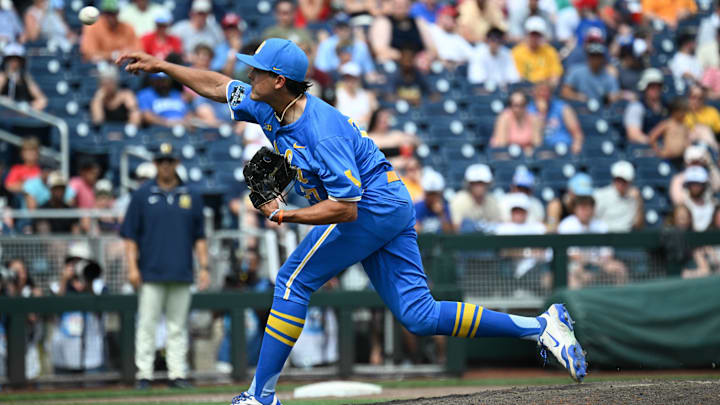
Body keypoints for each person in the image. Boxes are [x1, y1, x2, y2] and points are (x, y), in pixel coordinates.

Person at [116, 37, 587, 404]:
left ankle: (261, 396)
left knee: (292, 280)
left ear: (278, 80)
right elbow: (219, 86)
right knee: (419, 316)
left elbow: (347, 208)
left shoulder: (318, 130)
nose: (248, 72)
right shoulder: (268, 103)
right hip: (389, 202)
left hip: (373, 206)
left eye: (256, 69)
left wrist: (286, 214)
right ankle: (541, 326)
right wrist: (163, 65)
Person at [120, 142, 209, 389]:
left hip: (181, 270)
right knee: (147, 324)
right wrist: (132, 268)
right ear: (155, 164)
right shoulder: (142, 195)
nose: (165, 166)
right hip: (150, 271)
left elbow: (199, 237)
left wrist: (204, 267)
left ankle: (177, 373)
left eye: (169, 161)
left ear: (176, 163)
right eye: (161, 162)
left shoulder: (191, 195)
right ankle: (144, 374)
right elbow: (130, 237)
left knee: (178, 326)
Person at [50, 246, 106, 374]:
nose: (77, 266)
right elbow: (54, 311)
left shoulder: (99, 287)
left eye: (81, 261)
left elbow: (100, 312)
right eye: (73, 262)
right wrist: (64, 280)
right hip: (63, 355)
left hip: (92, 357)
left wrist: (88, 281)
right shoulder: (57, 286)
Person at [557, 194, 629, 289]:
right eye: (582, 208)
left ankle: (620, 300)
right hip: (576, 265)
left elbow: (607, 254)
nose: (586, 212)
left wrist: (598, 263)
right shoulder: (566, 225)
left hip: (599, 263)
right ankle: (578, 303)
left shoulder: (601, 225)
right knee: (575, 274)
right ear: (575, 209)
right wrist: (591, 263)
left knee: (619, 269)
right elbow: (572, 256)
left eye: (589, 208)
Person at [369, 0, 436, 64]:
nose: (400, 8)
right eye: (397, 5)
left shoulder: (418, 21)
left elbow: (432, 48)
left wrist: (425, 57)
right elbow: (379, 50)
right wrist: (403, 57)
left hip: (420, 64)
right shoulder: (383, 22)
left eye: (404, 5)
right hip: (394, 63)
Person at [528, 81, 584, 154]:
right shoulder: (528, 110)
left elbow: (577, 133)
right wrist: (542, 113)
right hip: (541, 151)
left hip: (563, 148)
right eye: (540, 91)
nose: (543, 94)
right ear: (535, 93)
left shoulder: (563, 108)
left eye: (546, 91)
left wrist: (577, 144)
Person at [314, 13, 375, 78]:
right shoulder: (326, 45)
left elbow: (369, 71)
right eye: (340, 27)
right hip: (333, 79)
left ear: (351, 28)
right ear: (334, 29)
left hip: (356, 80)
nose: (342, 31)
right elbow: (321, 69)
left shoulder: (360, 46)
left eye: (345, 27)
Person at [449, 163, 502, 233]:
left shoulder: (492, 201)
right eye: (475, 183)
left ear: (488, 184)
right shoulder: (459, 200)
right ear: (468, 184)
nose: (479, 187)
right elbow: (455, 229)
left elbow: (498, 227)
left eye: (482, 183)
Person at [593, 161, 644, 232]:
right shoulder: (600, 195)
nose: (620, 184)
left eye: (624, 181)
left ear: (630, 181)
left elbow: (638, 225)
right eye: (618, 180)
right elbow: (593, 221)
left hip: (625, 238)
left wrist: (638, 201)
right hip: (605, 237)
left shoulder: (634, 197)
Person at [511, 17, 563, 86]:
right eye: (532, 34)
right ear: (527, 34)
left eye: (537, 35)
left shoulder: (550, 51)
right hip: (526, 89)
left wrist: (546, 86)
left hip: (546, 89)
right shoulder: (517, 52)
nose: (534, 38)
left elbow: (555, 75)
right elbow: (517, 77)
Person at [623, 68, 667, 145]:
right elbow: (633, 135)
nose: (655, 89)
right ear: (644, 87)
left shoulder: (667, 106)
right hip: (644, 149)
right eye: (651, 86)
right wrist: (654, 143)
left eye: (658, 86)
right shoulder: (636, 107)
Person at [0, 43, 47, 111]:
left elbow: (42, 99)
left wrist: (28, 108)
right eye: (11, 59)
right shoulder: (2, 77)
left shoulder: (25, 78)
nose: (14, 62)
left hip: (21, 116)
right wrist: (4, 101)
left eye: (17, 59)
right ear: (6, 61)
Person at [334, 62, 376, 130]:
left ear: (358, 78)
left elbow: (368, 118)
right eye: (347, 77)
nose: (350, 81)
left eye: (353, 78)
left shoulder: (366, 96)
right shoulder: (337, 94)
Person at [648, 98, 690, 165]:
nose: (684, 114)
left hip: (681, 159)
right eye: (682, 111)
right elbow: (652, 136)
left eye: (685, 111)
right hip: (668, 159)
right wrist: (659, 151)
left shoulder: (684, 126)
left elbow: (687, 140)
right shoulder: (667, 124)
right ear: (675, 111)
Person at [677, 166, 717, 232]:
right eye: (692, 184)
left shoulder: (713, 206)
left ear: (704, 185)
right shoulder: (682, 207)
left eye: (698, 184)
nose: (695, 187)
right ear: (687, 185)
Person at [414, 169, 454, 234]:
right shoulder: (418, 206)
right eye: (430, 194)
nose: (433, 197)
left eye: (435, 194)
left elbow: (449, 232)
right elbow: (415, 231)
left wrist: (441, 214)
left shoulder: (445, 207)